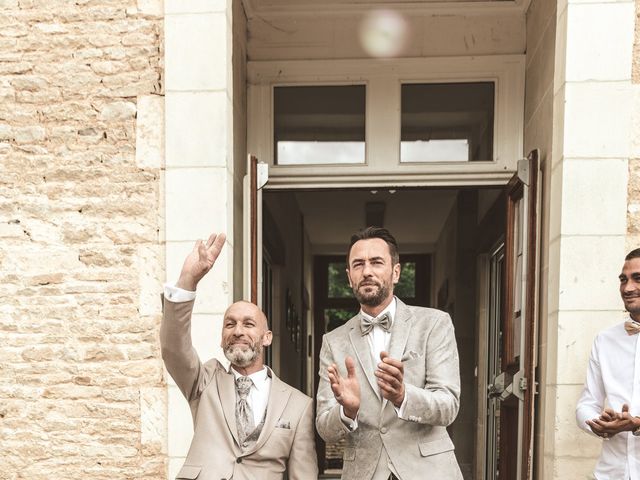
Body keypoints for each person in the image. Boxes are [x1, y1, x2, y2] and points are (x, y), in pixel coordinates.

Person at [161, 232, 318, 480]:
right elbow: (173, 349)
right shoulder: (203, 382)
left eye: (248, 324)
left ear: (267, 337)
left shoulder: (299, 405)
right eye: (230, 324)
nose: (238, 331)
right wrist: (187, 281)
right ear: (222, 336)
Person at [315, 226, 463, 480]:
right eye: (358, 264)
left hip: (429, 472)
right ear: (349, 277)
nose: (367, 271)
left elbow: (448, 406)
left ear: (395, 272)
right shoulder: (333, 341)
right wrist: (346, 412)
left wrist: (403, 396)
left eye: (376, 262)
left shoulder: (434, 323)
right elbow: (324, 428)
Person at [576, 248, 640, 479]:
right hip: (610, 473)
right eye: (623, 279)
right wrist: (596, 423)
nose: (628, 288)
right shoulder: (605, 340)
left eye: (637, 278)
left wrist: (637, 425)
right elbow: (586, 403)